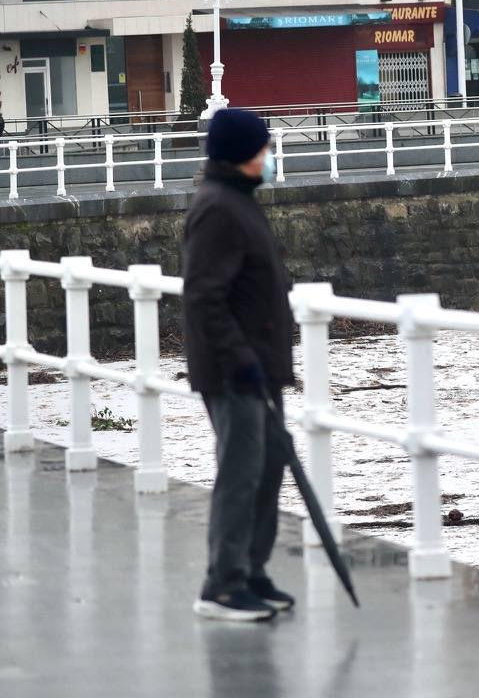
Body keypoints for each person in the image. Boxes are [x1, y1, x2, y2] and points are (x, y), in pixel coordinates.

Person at [183, 108, 296, 622]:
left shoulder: (239, 201)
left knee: (269, 466)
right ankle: (222, 585)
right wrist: (241, 361)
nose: (268, 157)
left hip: (260, 364)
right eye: (263, 149)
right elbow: (205, 296)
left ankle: (251, 570)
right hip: (235, 370)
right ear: (243, 155)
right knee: (241, 472)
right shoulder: (218, 209)